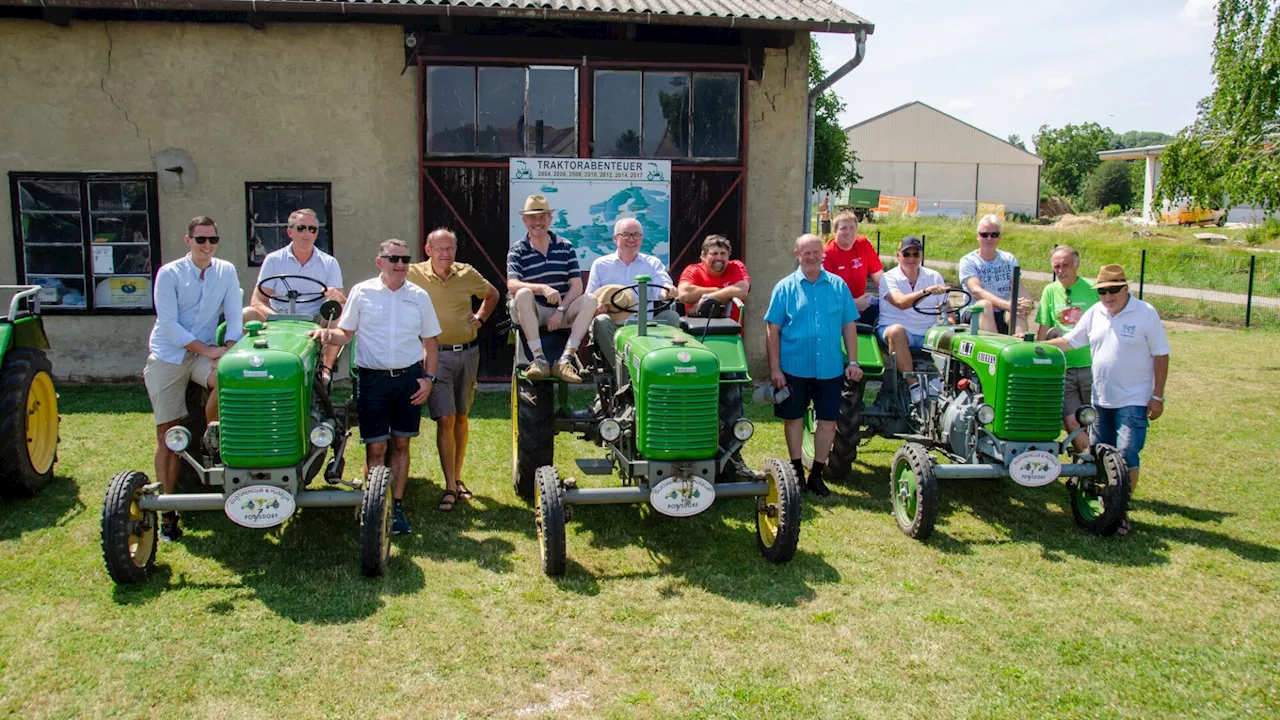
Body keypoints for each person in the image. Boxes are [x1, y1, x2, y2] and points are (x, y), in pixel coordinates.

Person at [309, 239, 441, 535]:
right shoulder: (362, 292)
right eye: (394, 258)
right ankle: (374, 508)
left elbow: (431, 342)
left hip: (409, 379)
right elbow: (346, 332)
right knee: (376, 446)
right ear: (380, 261)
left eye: (405, 259)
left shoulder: (419, 296)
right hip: (372, 380)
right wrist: (326, 335)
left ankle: (396, 508)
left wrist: (428, 379)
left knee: (402, 443)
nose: (401, 264)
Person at [1043, 264, 1170, 536]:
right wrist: (1034, 346)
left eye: (1113, 290)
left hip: (1133, 398)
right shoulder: (1096, 313)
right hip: (1101, 398)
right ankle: (1106, 507)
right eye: (1102, 291)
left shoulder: (1145, 313)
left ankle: (1120, 512)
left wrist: (1157, 396)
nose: (1107, 296)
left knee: (1125, 456)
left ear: (1126, 288)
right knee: (1100, 456)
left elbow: (1161, 354)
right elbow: (1069, 341)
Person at [144, 216, 243, 541]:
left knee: (228, 379)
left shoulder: (225, 270)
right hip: (170, 355)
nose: (207, 245)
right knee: (167, 434)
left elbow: (233, 315)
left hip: (206, 353)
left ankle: (211, 443)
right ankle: (169, 512)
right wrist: (208, 350)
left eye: (212, 239)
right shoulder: (169, 274)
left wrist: (228, 348)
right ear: (188, 240)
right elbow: (169, 325)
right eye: (201, 239)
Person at [407, 228, 499, 512]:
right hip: (435, 357)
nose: (445, 254)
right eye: (439, 249)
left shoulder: (467, 273)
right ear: (428, 250)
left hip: (468, 353)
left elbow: (492, 294)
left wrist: (480, 318)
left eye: (450, 249)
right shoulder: (412, 274)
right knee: (445, 418)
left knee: (461, 417)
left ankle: (458, 478)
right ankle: (449, 486)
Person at [765, 233, 864, 497]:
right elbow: (772, 329)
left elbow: (848, 324)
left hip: (830, 369)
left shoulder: (838, 286)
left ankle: (817, 475)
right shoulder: (784, 287)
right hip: (794, 367)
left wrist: (853, 361)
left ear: (823, 254)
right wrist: (775, 369)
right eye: (805, 252)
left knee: (829, 422)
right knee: (794, 419)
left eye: (816, 252)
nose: (811, 257)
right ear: (797, 255)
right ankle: (796, 471)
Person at [244, 208, 346, 382]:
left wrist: (334, 295)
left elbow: (340, 300)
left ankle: (326, 371)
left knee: (337, 313)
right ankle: (252, 363)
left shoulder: (329, 262)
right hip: (278, 317)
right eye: (301, 228)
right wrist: (278, 318)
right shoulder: (274, 259)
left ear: (316, 234)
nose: (306, 233)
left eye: (312, 229)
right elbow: (257, 300)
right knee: (247, 313)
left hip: (313, 319)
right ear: (290, 231)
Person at [506, 194, 595, 382]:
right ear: (524, 221)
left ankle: (565, 360)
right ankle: (539, 360)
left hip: (561, 312)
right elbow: (512, 284)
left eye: (542, 217)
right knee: (522, 293)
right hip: (534, 311)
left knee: (591, 299)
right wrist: (542, 288)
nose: (537, 222)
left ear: (550, 219)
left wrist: (561, 310)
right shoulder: (517, 249)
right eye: (532, 218)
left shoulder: (565, 246)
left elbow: (577, 286)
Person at [586, 217, 681, 368]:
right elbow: (589, 298)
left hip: (647, 325)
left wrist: (667, 293)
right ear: (615, 238)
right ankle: (624, 371)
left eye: (636, 235)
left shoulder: (652, 263)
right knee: (600, 322)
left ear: (641, 239)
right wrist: (598, 308)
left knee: (672, 316)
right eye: (626, 234)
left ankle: (662, 366)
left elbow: (663, 288)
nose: (632, 239)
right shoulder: (601, 264)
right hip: (615, 326)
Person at [1035, 245, 1101, 453]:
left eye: (1065, 265)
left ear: (1077, 265)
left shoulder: (1093, 289)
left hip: (1092, 365)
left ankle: (1088, 468)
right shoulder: (1050, 291)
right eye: (1056, 267)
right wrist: (1038, 356)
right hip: (1064, 368)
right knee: (1071, 422)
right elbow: (1044, 327)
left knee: (1093, 420)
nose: (1061, 270)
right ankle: (1090, 461)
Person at [876, 236, 948, 404]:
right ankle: (914, 387)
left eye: (916, 254)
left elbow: (947, 310)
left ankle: (942, 385)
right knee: (896, 331)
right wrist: (926, 292)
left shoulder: (934, 276)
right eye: (906, 254)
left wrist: (951, 323)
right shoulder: (888, 278)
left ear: (921, 256)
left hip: (928, 333)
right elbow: (901, 302)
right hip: (894, 330)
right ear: (898, 256)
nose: (911, 258)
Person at [958, 214, 1033, 334]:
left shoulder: (1009, 259)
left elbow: (1018, 287)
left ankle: (1021, 343)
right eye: (984, 234)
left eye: (994, 235)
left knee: (1018, 308)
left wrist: (1027, 303)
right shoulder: (968, 261)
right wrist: (1005, 304)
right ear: (978, 236)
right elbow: (976, 291)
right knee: (985, 305)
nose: (989, 238)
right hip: (975, 312)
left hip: (1004, 311)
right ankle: (994, 347)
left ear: (999, 237)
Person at [823, 210, 885, 327]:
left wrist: (893, 296)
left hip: (862, 306)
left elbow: (880, 277)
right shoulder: (827, 254)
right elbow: (824, 295)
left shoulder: (863, 244)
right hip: (837, 310)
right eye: (843, 228)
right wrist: (852, 304)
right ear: (835, 231)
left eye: (852, 228)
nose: (849, 232)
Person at [676, 234, 751, 322]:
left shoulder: (736, 266)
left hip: (731, 331)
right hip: (696, 330)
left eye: (723, 253)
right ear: (703, 255)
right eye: (714, 254)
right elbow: (683, 294)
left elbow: (742, 290)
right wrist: (720, 291)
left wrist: (706, 298)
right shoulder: (693, 270)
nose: (719, 258)